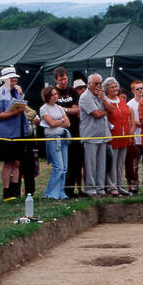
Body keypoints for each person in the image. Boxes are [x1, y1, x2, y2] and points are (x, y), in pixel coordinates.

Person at [0, 66, 27, 200]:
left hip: (18, 132)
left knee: (16, 162)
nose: (14, 81)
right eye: (11, 79)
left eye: (15, 79)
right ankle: (6, 191)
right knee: (8, 162)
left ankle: (15, 190)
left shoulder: (16, 92)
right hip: (6, 133)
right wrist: (15, 112)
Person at [51, 68, 84, 198]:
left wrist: (63, 109)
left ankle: (71, 189)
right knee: (62, 163)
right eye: (60, 80)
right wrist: (67, 111)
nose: (63, 82)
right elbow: (51, 110)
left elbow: (77, 110)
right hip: (59, 132)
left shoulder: (72, 92)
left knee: (76, 162)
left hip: (75, 131)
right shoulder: (53, 92)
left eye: (65, 79)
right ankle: (60, 189)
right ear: (56, 80)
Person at [79, 73, 111, 196]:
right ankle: (91, 189)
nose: (98, 86)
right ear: (89, 84)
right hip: (90, 135)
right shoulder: (85, 97)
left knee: (101, 164)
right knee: (91, 164)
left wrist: (103, 98)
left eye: (100, 83)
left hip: (102, 134)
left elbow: (111, 109)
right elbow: (96, 114)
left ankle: (100, 188)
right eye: (96, 83)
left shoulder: (100, 95)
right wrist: (106, 111)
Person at [38, 84, 70, 199]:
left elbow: (68, 123)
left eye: (56, 94)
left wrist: (58, 121)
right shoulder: (43, 109)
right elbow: (50, 124)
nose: (55, 96)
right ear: (47, 97)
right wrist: (61, 120)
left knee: (64, 168)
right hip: (52, 139)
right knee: (58, 167)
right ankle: (49, 193)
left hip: (63, 138)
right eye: (52, 95)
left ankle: (61, 192)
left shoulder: (59, 107)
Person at [104, 77, 133, 196]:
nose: (115, 89)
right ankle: (112, 186)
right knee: (113, 162)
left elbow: (127, 116)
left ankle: (120, 185)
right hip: (113, 136)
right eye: (112, 87)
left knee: (121, 163)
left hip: (124, 135)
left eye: (116, 86)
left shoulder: (121, 100)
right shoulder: (106, 101)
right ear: (107, 89)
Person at [125, 78, 143, 193]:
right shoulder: (130, 104)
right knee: (135, 165)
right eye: (137, 89)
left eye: (141, 88)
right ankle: (134, 186)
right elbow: (130, 121)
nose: (140, 91)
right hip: (136, 138)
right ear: (133, 91)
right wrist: (138, 122)